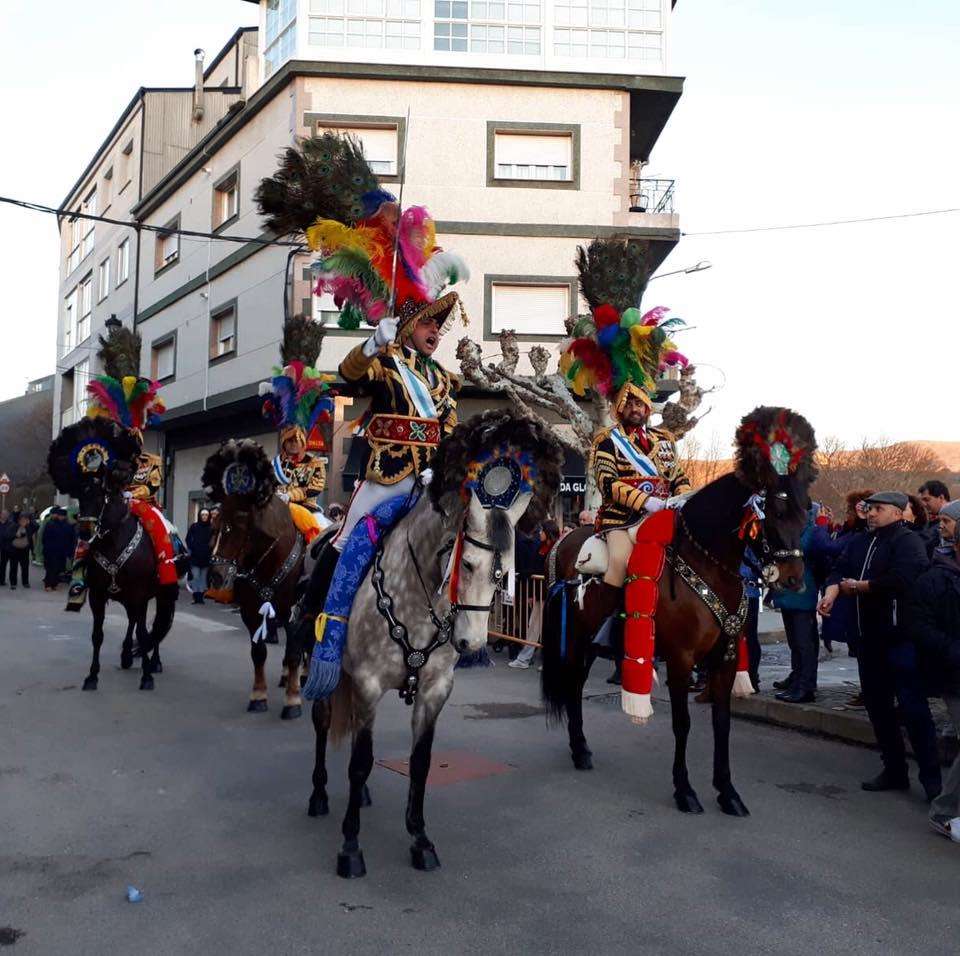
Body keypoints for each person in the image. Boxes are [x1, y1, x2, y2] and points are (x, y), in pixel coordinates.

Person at [819, 491, 940, 800]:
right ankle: (894, 770)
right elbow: (838, 568)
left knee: (914, 711)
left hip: (900, 640)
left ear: (898, 513)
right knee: (879, 708)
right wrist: (832, 592)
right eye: (869, 509)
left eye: (879, 509)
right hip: (867, 639)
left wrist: (863, 587)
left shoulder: (907, 541)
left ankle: (932, 780)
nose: (871, 514)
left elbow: (905, 579)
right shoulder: (860, 541)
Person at [908, 511, 960, 840]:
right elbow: (919, 626)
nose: (940, 526)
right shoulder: (935, 577)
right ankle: (944, 810)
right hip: (953, 674)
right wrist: (953, 649)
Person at [509, 520, 559, 669]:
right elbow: (535, 568)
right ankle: (525, 658)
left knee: (548, 628)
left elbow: (545, 572)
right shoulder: (541, 547)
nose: (539, 533)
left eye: (542, 531)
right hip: (540, 593)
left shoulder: (555, 549)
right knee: (534, 626)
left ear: (548, 532)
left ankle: (545, 660)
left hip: (550, 594)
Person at [41, 508, 75, 591]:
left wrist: (69, 551)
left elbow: (71, 539)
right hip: (52, 550)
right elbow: (45, 538)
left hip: (60, 551)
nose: (59, 517)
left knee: (58, 568)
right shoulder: (51, 524)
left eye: (60, 515)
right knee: (51, 568)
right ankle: (49, 584)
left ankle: (54, 584)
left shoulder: (67, 526)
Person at [185, 509, 214, 604]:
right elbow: (188, 538)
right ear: (199, 516)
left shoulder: (211, 528)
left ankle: (200, 598)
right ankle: (195, 596)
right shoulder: (194, 526)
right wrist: (192, 547)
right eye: (203, 515)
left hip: (206, 557)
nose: (204, 517)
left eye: (206, 515)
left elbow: (214, 541)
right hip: (195, 556)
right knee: (196, 577)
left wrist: (210, 549)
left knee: (203, 578)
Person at [917, 480, 951, 556]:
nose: (923, 504)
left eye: (926, 499)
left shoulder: (955, 520)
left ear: (941, 498)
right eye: (921, 500)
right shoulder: (930, 521)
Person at [6, 513, 35, 589]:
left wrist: (32, 550)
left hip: (25, 550)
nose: (23, 521)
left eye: (25, 520)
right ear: (19, 520)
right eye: (22, 520)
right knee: (13, 567)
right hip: (14, 550)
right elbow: (8, 536)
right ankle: (13, 583)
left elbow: (36, 528)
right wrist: (15, 535)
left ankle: (25, 582)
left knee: (25, 567)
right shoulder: (14, 526)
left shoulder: (29, 527)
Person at [0, 508, 11, 585]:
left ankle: (2, 580)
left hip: (6, 547)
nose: (4, 515)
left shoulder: (10, 524)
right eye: (3, 514)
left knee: (3, 565)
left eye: (6, 514)